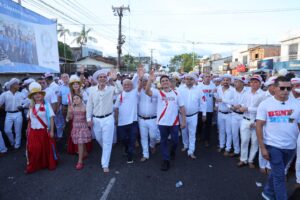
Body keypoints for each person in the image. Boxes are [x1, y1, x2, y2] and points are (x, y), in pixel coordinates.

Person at [256, 76, 300, 200]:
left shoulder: (297, 104)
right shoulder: (265, 104)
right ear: (274, 88)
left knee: (276, 172)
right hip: (273, 146)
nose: (286, 90)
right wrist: (263, 148)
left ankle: (268, 193)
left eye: (288, 88)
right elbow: (259, 126)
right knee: (280, 176)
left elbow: (296, 122)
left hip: (291, 146)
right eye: (282, 88)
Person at [145, 69, 186, 171]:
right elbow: (147, 91)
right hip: (162, 123)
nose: (165, 82)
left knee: (175, 141)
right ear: (161, 84)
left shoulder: (176, 94)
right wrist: (150, 80)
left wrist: (183, 121)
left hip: (174, 123)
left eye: (166, 80)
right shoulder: (158, 93)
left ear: (169, 82)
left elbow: (182, 108)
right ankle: (166, 160)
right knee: (163, 141)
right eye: (162, 81)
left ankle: (172, 152)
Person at [86, 69, 122, 173]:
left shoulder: (111, 89)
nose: (102, 79)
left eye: (104, 77)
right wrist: (89, 119)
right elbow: (89, 106)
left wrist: (115, 80)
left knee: (107, 142)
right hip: (96, 119)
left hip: (108, 119)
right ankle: (107, 150)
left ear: (107, 79)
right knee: (99, 138)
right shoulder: (92, 90)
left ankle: (105, 163)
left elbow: (120, 90)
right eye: (100, 77)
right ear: (97, 79)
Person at [26, 82, 58, 173]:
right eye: (35, 94)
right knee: (34, 149)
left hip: (44, 131)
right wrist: (27, 131)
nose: (37, 95)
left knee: (45, 149)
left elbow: (51, 118)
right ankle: (35, 165)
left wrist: (52, 131)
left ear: (42, 95)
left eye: (39, 93)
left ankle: (45, 164)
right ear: (32, 96)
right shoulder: (31, 106)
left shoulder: (47, 105)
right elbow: (29, 119)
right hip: (33, 132)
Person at [237, 74, 265, 168]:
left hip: (256, 121)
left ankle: (251, 160)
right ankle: (243, 159)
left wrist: (247, 108)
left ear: (260, 84)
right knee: (244, 141)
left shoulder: (263, 94)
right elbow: (243, 103)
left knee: (255, 142)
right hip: (245, 119)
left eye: (256, 82)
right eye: (251, 82)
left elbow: (262, 109)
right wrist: (240, 106)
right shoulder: (247, 92)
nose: (253, 84)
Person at [178, 73, 206, 159]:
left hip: (194, 115)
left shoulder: (199, 90)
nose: (189, 81)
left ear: (194, 80)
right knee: (184, 132)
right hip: (182, 115)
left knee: (192, 133)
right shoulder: (180, 89)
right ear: (184, 79)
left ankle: (191, 150)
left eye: (191, 79)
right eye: (187, 79)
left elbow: (203, 102)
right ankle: (185, 145)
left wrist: (204, 114)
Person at [115, 79, 139, 163]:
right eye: (125, 84)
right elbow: (116, 109)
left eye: (128, 84)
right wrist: (116, 120)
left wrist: (140, 75)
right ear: (122, 86)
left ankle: (130, 156)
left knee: (132, 139)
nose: (127, 86)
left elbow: (139, 84)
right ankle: (127, 148)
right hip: (122, 122)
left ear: (132, 85)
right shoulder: (120, 96)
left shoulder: (135, 92)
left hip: (133, 121)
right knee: (123, 139)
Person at [137, 73, 159, 162]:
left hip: (152, 119)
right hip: (141, 119)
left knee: (153, 136)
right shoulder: (138, 92)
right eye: (143, 81)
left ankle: (152, 145)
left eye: (147, 81)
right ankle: (145, 154)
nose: (145, 82)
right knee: (143, 137)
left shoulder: (155, 91)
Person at [67, 94, 91, 170]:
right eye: (74, 99)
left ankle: (80, 161)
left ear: (81, 99)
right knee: (80, 141)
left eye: (77, 98)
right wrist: (69, 112)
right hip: (76, 127)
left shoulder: (85, 107)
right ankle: (85, 153)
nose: (75, 100)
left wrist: (89, 123)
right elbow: (69, 118)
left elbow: (89, 117)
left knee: (80, 142)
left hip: (83, 127)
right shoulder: (72, 107)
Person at [0, 78, 24, 149]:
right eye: (17, 84)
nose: (19, 86)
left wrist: (23, 106)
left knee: (18, 130)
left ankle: (17, 145)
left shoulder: (21, 94)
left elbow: (27, 101)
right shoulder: (5, 94)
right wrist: (4, 108)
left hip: (18, 113)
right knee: (7, 130)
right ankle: (12, 142)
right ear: (12, 85)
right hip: (8, 114)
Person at [228, 76, 248, 157]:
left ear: (242, 83)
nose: (235, 83)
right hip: (234, 114)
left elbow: (248, 102)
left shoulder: (248, 91)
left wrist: (240, 105)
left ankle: (243, 154)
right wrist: (231, 107)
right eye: (235, 81)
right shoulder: (232, 91)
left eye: (237, 82)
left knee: (244, 136)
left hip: (244, 115)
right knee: (234, 134)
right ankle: (236, 150)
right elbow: (228, 101)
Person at [215, 74, 234, 153]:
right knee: (221, 131)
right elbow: (216, 98)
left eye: (227, 80)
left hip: (229, 113)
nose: (225, 82)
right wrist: (216, 105)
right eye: (224, 80)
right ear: (222, 81)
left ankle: (228, 148)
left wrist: (223, 100)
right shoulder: (218, 89)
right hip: (220, 113)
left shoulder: (233, 90)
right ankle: (222, 145)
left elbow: (233, 102)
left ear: (230, 81)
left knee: (228, 132)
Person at [197, 73, 216, 147]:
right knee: (200, 124)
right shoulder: (199, 86)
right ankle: (199, 134)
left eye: (209, 76)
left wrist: (215, 106)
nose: (207, 78)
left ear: (210, 78)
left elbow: (215, 97)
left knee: (208, 126)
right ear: (203, 78)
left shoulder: (213, 85)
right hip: (200, 109)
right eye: (206, 76)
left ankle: (207, 140)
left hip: (209, 109)